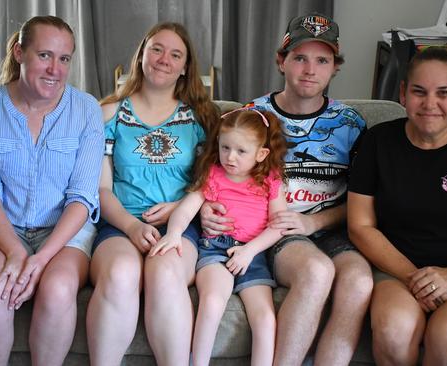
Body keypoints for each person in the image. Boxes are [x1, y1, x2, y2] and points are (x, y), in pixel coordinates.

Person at [201, 12, 373, 365]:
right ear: (282, 61)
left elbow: (364, 202)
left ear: (335, 67)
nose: (310, 70)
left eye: (322, 60)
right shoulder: (254, 115)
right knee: (316, 271)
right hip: (274, 231)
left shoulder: (350, 124)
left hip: (330, 228)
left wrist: (316, 223)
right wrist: (205, 208)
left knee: (358, 281)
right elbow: (216, 177)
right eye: (300, 58)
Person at [348, 47, 447, 366]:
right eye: (419, 91)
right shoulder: (377, 143)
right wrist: (415, 276)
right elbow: (360, 226)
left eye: (443, 93)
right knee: (394, 332)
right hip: (398, 268)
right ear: (403, 93)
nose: (430, 104)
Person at [0, 16, 103, 365]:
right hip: (4, 228)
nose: (55, 69)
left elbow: (83, 196)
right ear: (19, 53)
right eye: (44, 55)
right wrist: (14, 250)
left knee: (57, 290)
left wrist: (41, 259)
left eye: (64, 59)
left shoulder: (86, 109)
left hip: (65, 232)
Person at [87, 22, 218, 366]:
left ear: (186, 67)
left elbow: (211, 182)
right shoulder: (110, 113)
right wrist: (131, 226)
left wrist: (178, 207)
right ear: (142, 54)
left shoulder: (201, 117)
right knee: (120, 274)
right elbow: (100, 188)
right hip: (119, 222)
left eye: (176, 54)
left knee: (163, 273)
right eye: (157, 49)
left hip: (182, 224)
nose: (164, 60)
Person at [151, 108, 288, 366]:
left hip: (254, 253)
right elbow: (187, 207)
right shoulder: (214, 174)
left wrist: (250, 251)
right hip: (216, 248)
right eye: (225, 148)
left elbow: (279, 225)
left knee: (266, 318)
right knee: (213, 301)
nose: (230, 157)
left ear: (261, 154)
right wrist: (174, 234)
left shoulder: (271, 180)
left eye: (241, 151)